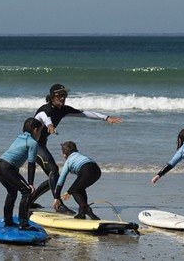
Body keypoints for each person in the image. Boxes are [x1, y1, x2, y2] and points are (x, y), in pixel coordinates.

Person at [30, 84, 123, 214]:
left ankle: (30, 201)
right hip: (32, 144)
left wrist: (106, 118)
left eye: (64, 95)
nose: (62, 98)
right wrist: (50, 125)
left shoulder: (63, 109)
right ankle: (58, 204)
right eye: (59, 95)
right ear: (52, 97)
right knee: (54, 171)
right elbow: (45, 117)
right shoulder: (45, 109)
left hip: (41, 144)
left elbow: (84, 113)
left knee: (53, 175)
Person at [0, 117, 42, 231]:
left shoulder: (20, 138)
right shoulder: (33, 143)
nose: (40, 134)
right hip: (7, 168)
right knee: (27, 192)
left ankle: (8, 221)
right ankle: (23, 223)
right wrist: (30, 183)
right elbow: (31, 164)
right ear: (35, 130)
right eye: (40, 131)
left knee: (12, 192)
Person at [55, 141, 102, 220]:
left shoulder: (68, 161)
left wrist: (57, 197)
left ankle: (86, 208)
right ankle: (81, 213)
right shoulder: (80, 155)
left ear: (64, 155)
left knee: (74, 191)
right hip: (97, 170)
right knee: (80, 189)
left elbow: (61, 179)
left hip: (86, 170)